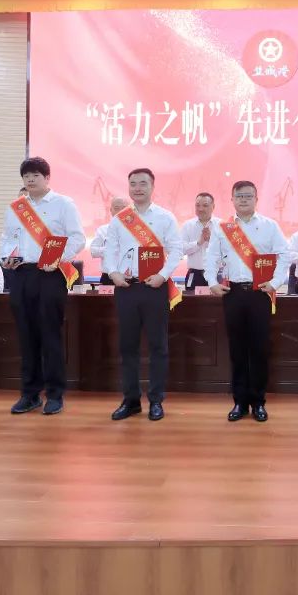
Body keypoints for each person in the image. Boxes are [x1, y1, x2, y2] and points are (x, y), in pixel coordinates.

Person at [0, 157, 85, 416]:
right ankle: (30, 394)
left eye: (35, 175)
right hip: (21, 274)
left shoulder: (63, 204)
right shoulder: (16, 207)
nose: (30, 179)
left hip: (50, 275)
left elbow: (78, 238)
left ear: (47, 178)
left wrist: (57, 259)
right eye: (26, 176)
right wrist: (6, 256)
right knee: (26, 336)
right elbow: (7, 238)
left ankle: (55, 394)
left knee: (50, 335)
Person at [205, 181, 291, 422]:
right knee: (237, 349)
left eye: (248, 196)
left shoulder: (269, 226)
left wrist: (275, 282)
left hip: (260, 293)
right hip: (232, 293)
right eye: (239, 196)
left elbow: (284, 255)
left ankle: (259, 402)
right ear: (232, 199)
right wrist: (211, 281)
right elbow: (211, 256)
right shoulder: (223, 228)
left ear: (256, 199)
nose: (243, 199)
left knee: (259, 349)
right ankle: (239, 402)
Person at [104, 168, 183, 422]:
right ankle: (131, 400)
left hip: (154, 288)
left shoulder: (165, 217)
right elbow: (110, 249)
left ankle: (156, 400)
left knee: (158, 346)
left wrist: (162, 275)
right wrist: (113, 273)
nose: (137, 188)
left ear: (152, 187)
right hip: (126, 288)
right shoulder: (120, 219)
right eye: (133, 184)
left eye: (143, 184)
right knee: (128, 346)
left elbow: (176, 249)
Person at [180, 192, 220, 291]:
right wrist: (198, 242)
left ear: (213, 206)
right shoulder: (187, 225)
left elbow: (227, 251)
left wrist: (211, 241)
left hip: (217, 274)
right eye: (197, 205)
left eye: (205, 205)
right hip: (195, 275)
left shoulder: (221, 225)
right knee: (194, 301)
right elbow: (181, 249)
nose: (200, 209)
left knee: (219, 301)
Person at [89, 196, 130, 285]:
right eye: (116, 208)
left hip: (131, 278)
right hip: (108, 277)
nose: (120, 211)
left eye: (124, 208)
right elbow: (93, 251)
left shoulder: (137, 231)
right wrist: (112, 249)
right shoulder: (103, 229)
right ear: (111, 210)